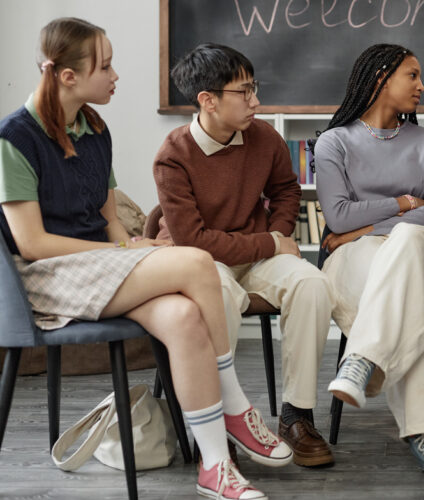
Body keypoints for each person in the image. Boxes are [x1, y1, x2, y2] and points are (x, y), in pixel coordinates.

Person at [0, 18, 293, 500]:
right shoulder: (15, 138)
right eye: (106, 66)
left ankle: (215, 467)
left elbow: (107, 215)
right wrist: (122, 251)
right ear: (68, 76)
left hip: (100, 266)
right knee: (197, 262)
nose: (116, 76)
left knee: (183, 316)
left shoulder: (94, 128)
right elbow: (31, 244)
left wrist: (127, 245)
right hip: (49, 276)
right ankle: (236, 407)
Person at [152, 43, 341, 467]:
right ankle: (217, 427)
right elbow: (195, 242)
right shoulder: (172, 155)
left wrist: (276, 232)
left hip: (253, 256)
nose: (256, 101)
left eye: (255, 88)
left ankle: (297, 415)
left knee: (312, 283)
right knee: (216, 294)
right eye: (244, 92)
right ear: (208, 100)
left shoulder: (264, 137)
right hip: (198, 263)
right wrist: (272, 242)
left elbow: (286, 191)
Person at [311, 43, 424, 487]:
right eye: (413, 75)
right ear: (382, 78)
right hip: (356, 264)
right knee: (410, 296)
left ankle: (362, 359)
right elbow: (337, 217)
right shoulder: (334, 142)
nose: (422, 86)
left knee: (405, 240)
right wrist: (403, 203)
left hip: (423, 249)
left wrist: (364, 229)